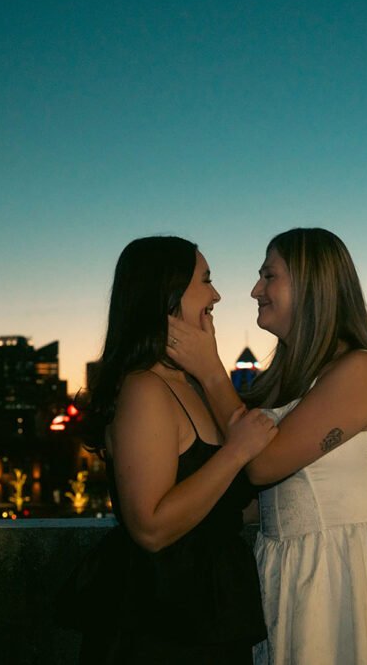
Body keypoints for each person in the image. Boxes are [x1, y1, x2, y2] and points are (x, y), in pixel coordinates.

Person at [167, 228, 367, 664]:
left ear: (311, 285)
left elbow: (263, 465)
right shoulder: (285, 382)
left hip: (344, 577)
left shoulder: (361, 370)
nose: (255, 289)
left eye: (268, 276)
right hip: (285, 572)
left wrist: (212, 372)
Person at [59, 236, 278, 664]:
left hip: (211, 614)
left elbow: (220, 503)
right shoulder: (145, 389)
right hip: (161, 627)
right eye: (206, 281)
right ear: (168, 294)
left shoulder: (190, 385)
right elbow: (151, 527)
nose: (216, 295)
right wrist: (235, 452)